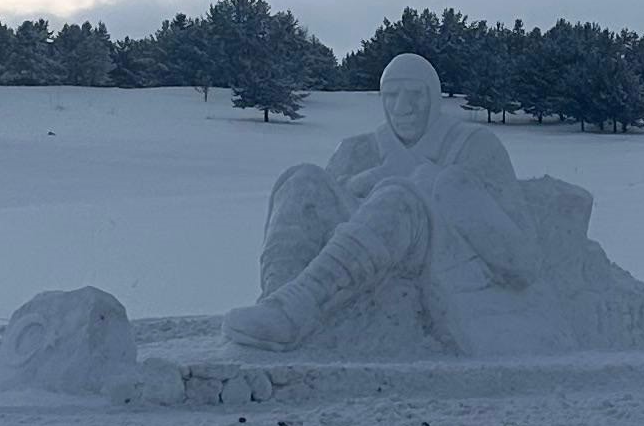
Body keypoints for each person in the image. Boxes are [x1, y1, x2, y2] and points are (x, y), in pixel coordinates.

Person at [227, 52, 539, 350]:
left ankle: (297, 308)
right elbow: (323, 215)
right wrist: (360, 183)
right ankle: (276, 303)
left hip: (441, 260)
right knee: (302, 179)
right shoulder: (361, 149)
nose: (402, 107)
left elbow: (521, 262)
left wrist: (445, 188)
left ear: (433, 97)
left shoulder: (473, 146)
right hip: (368, 255)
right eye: (391, 95)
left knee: (400, 196)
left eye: (415, 94)